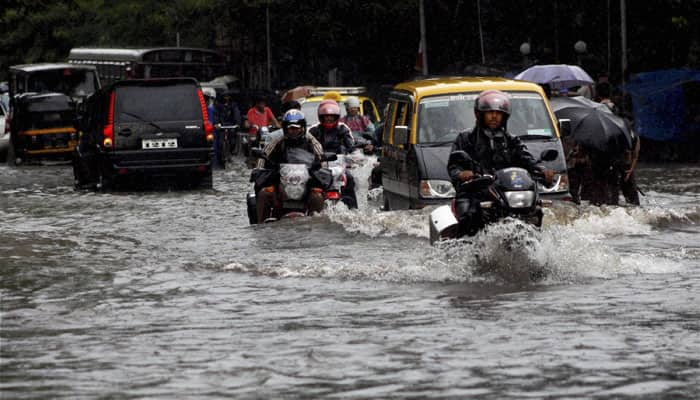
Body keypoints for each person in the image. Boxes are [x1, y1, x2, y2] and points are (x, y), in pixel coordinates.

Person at [447, 90, 554, 236]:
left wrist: (541, 170)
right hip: (476, 190)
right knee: (469, 215)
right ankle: (462, 250)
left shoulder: (511, 140)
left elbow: (526, 159)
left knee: (536, 209)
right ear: (480, 114)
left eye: (498, 113)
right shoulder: (466, 138)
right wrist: (461, 174)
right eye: (490, 112)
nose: (494, 116)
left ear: (504, 116)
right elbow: (454, 164)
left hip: (504, 191)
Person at [255, 109, 325, 222]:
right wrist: (259, 170)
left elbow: (321, 159)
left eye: (297, 128)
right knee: (263, 194)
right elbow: (263, 157)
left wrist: (320, 171)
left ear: (302, 127)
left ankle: (317, 224)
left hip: (306, 183)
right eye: (291, 128)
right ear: (285, 128)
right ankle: (260, 225)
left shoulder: (311, 142)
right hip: (280, 183)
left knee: (317, 196)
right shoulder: (277, 142)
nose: (293, 131)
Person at [308, 99, 359, 208]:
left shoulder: (343, 128)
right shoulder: (313, 130)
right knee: (308, 181)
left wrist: (354, 157)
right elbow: (306, 149)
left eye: (332, 116)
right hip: (319, 166)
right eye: (326, 116)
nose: (329, 119)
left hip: (339, 165)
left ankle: (354, 209)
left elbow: (351, 146)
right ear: (321, 117)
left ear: (337, 117)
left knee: (350, 178)